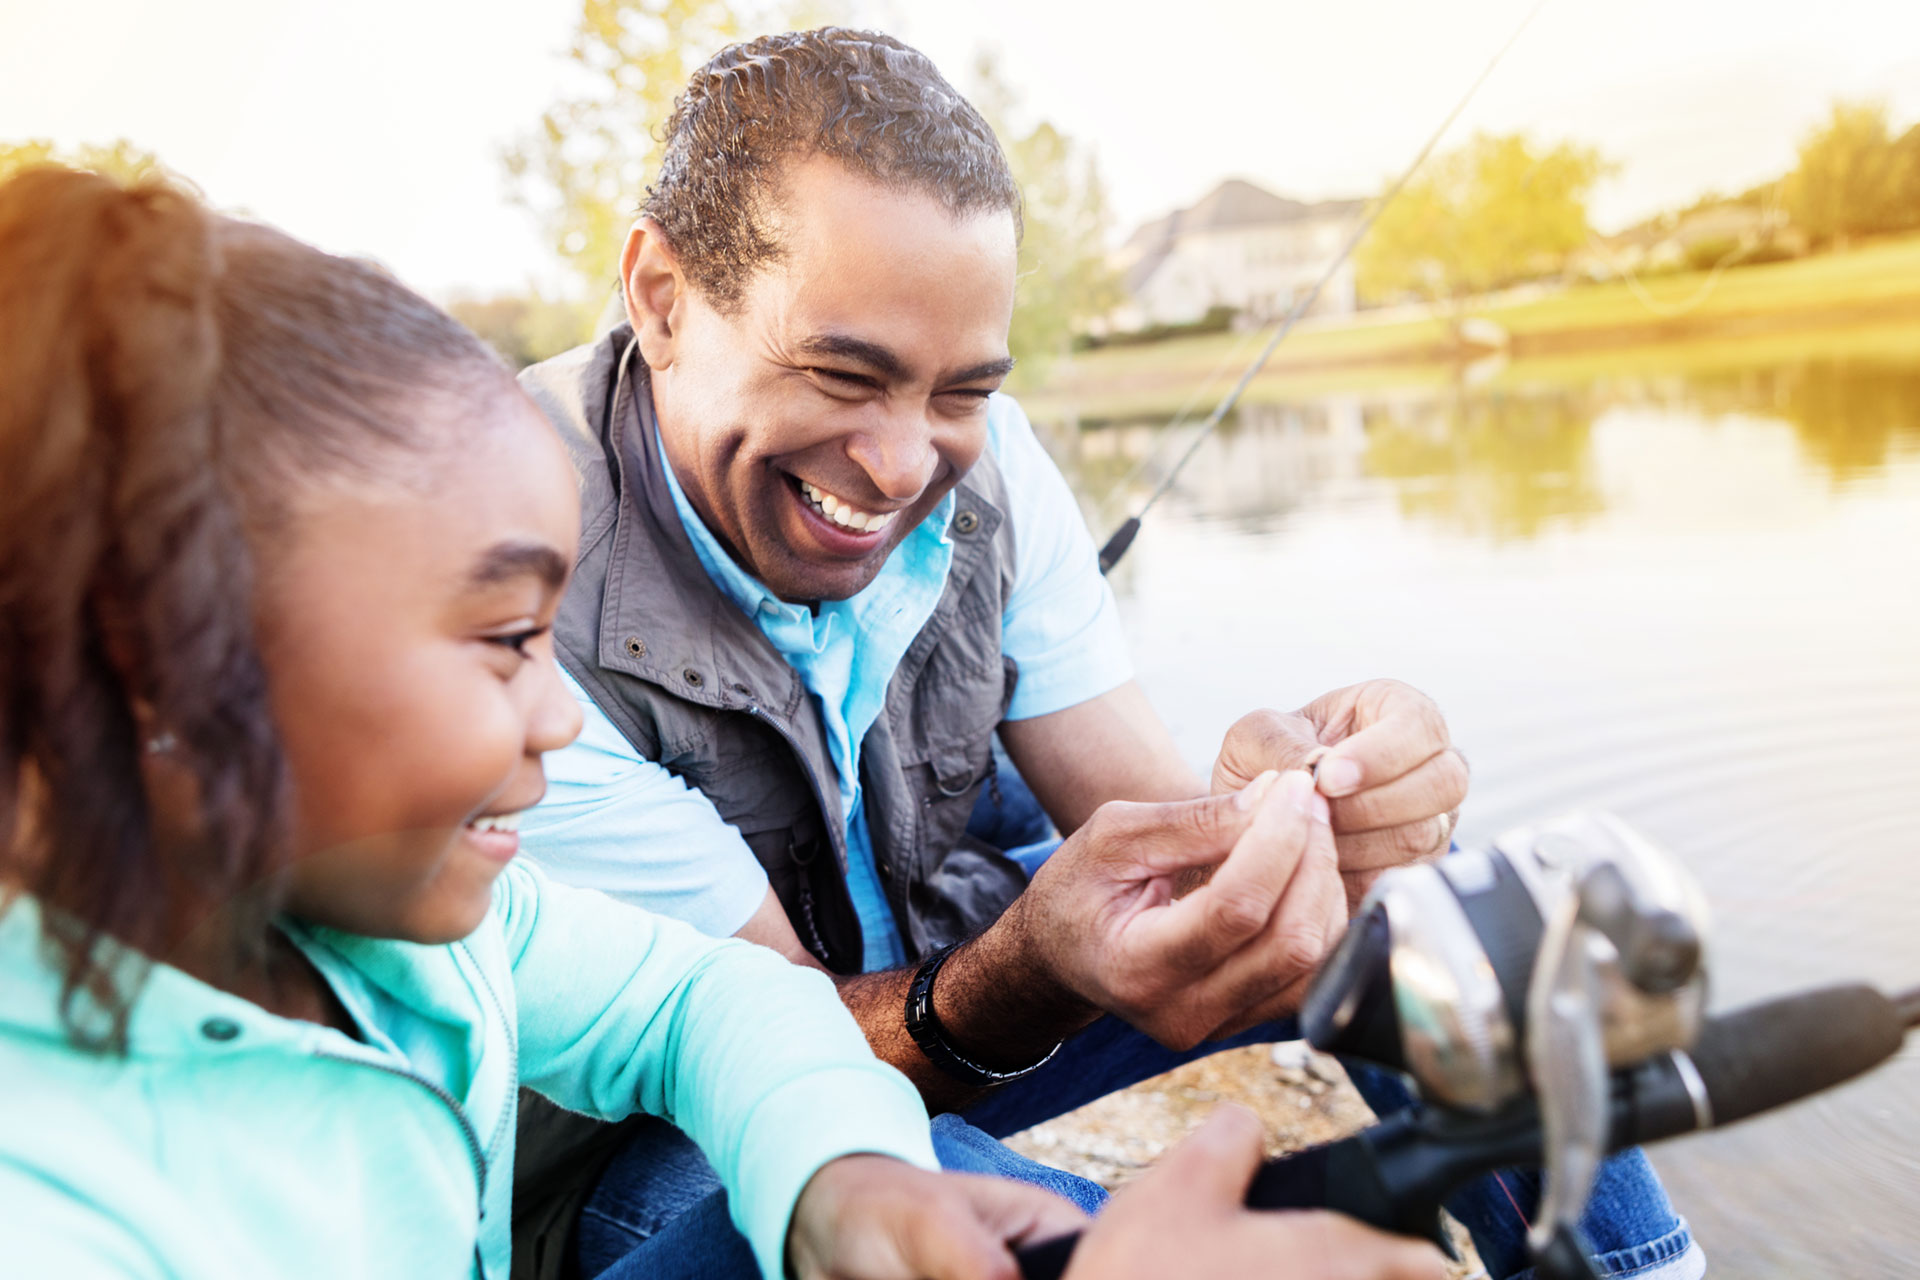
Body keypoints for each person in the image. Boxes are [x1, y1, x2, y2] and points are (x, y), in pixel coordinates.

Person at [0, 167, 1447, 1280]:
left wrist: (843, 1180)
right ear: (166, 682)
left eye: (958, 391)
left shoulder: (401, 928)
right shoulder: (54, 1204)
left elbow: (703, 1000)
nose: (558, 713)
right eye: (508, 641)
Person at [512, 25, 1702, 1280]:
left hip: (942, 987)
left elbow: (1157, 834)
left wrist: (1292, 830)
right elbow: (754, 1042)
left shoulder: (998, 464)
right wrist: (1024, 972)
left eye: (959, 392)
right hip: (659, 1143)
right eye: (843, 372)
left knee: (1431, 943)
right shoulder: (509, 584)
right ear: (661, 297)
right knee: (990, 1203)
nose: (905, 462)